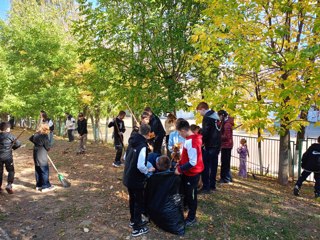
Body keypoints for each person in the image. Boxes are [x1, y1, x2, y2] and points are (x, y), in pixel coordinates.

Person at [123, 124, 155, 237]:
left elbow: (124, 157)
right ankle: (136, 228)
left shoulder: (132, 140)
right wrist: (148, 170)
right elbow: (140, 166)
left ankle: (133, 220)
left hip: (128, 176)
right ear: (148, 133)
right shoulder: (142, 146)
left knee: (132, 200)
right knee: (138, 202)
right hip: (136, 179)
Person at [175, 119, 204, 227]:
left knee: (192, 196)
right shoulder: (190, 139)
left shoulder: (192, 141)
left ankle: (191, 217)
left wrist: (180, 169)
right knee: (187, 193)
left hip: (192, 174)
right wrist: (180, 163)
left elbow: (193, 162)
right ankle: (185, 208)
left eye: (179, 132)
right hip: (187, 173)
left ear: (183, 130)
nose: (179, 135)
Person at [196, 102, 221, 193]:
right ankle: (212, 186)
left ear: (203, 109)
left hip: (210, 145)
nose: (200, 114)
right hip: (217, 145)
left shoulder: (207, 117)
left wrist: (200, 142)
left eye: (199, 112)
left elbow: (206, 132)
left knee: (205, 166)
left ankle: (206, 187)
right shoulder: (215, 116)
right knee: (214, 166)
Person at [29, 123, 55, 192]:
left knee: (38, 169)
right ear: (46, 129)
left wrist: (36, 143)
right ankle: (45, 186)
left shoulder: (36, 134)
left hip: (36, 153)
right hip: (42, 153)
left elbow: (30, 138)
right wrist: (47, 147)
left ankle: (39, 185)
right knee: (44, 170)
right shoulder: (44, 136)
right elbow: (48, 147)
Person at [0, 122, 21, 194]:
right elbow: (18, 144)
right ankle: (9, 185)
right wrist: (12, 147)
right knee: (11, 171)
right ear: (8, 129)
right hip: (8, 157)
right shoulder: (10, 136)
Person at [218, 110, 234, 183]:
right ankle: (225, 177)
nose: (219, 118)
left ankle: (225, 178)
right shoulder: (224, 123)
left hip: (226, 146)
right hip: (226, 145)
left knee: (225, 162)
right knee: (224, 162)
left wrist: (217, 136)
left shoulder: (227, 124)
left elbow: (226, 137)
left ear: (222, 115)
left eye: (219, 116)